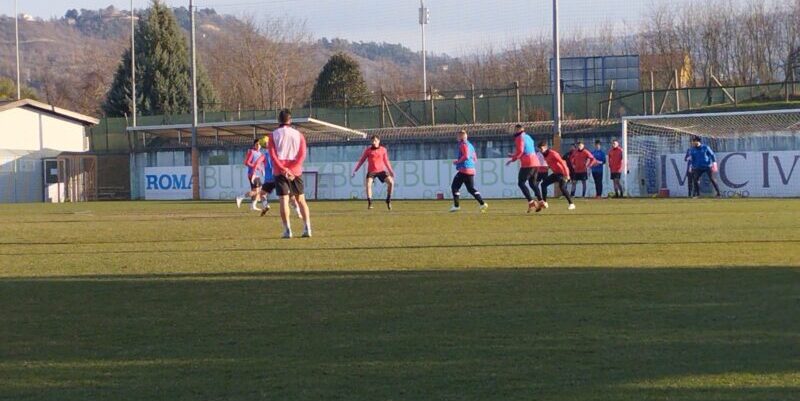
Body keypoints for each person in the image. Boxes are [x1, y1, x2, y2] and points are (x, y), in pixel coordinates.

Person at [268, 109, 312, 238]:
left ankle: (287, 230)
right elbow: (302, 154)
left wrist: (283, 168)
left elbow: (272, 154)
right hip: (296, 171)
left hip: (280, 171)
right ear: (290, 120)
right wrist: (292, 169)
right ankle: (307, 228)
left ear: (278, 120)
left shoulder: (273, 135)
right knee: (301, 200)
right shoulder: (298, 135)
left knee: (284, 200)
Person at [352, 135, 395, 210]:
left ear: (379, 141)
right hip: (371, 171)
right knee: (368, 184)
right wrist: (355, 170)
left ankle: (388, 199)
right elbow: (362, 160)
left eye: (375, 140)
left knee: (391, 182)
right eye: (372, 141)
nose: (373, 142)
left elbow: (386, 161)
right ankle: (370, 203)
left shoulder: (383, 150)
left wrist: (391, 171)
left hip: (381, 171)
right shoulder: (368, 150)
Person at [506, 124, 543, 212]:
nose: (514, 131)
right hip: (535, 162)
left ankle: (531, 202)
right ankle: (541, 201)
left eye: (515, 130)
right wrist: (514, 155)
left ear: (518, 129)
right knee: (533, 184)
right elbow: (527, 150)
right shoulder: (528, 137)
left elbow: (521, 151)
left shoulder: (519, 138)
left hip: (528, 163)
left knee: (521, 183)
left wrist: (512, 159)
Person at [450, 130, 488, 213]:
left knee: (454, 187)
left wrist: (458, 161)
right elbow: (475, 158)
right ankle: (482, 204)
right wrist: (470, 164)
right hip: (471, 169)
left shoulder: (462, 144)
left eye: (457, 136)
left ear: (461, 137)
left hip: (464, 169)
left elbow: (466, 156)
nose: (457, 138)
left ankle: (456, 206)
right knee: (471, 189)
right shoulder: (470, 145)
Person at [538, 141, 575, 211]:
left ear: (546, 147)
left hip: (562, 173)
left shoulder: (553, 153)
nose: (540, 150)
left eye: (541, 149)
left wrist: (567, 175)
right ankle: (545, 203)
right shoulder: (544, 154)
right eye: (539, 149)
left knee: (562, 187)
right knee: (543, 184)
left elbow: (563, 163)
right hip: (556, 173)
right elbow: (552, 163)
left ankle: (571, 204)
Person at [236, 139, 265, 211]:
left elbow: (260, 164)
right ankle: (240, 197)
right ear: (254, 145)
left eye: (259, 144)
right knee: (256, 191)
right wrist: (255, 166)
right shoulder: (252, 152)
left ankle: (253, 206)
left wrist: (261, 169)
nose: (258, 146)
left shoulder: (260, 154)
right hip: (252, 174)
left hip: (257, 174)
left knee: (257, 190)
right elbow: (246, 162)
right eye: (257, 144)